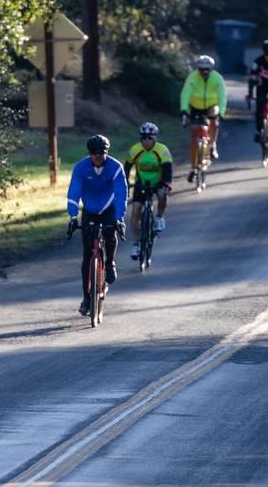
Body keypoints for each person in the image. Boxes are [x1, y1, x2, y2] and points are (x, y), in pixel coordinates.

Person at [66, 133, 127, 316]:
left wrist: (119, 218)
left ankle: (109, 263)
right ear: (89, 153)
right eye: (94, 153)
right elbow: (74, 191)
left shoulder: (115, 167)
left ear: (106, 152)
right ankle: (86, 298)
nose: (98, 156)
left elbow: (121, 193)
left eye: (102, 153)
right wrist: (73, 216)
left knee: (110, 234)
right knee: (87, 255)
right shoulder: (81, 167)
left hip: (109, 208)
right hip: (90, 210)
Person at [122, 122, 173, 261]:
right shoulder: (135, 149)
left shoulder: (162, 150)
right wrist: (125, 182)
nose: (146, 140)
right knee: (135, 211)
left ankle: (159, 217)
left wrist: (167, 183)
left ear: (155, 138)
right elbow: (127, 168)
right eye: (143, 137)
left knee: (162, 194)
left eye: (150, 137)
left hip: (158, 182)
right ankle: (135, 244)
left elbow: (168, 168)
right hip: (141, 183)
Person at [178, 54, 229, 160]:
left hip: (211, 105)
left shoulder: (217, 78)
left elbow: (222, 95)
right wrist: (184, 109)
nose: (204, 72)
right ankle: (194, 159)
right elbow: (186, 93)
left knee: (214, 121)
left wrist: (221, 113)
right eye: (202, 69)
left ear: (211, 69)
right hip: (195, 105)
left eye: (207, 69)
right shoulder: (192, 77)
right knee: (194, 129)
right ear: (198, 69)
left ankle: (212, 145)